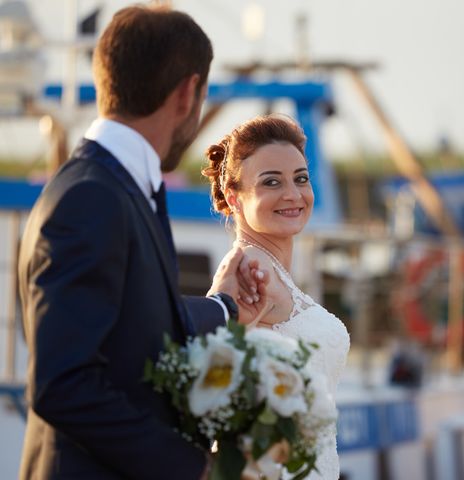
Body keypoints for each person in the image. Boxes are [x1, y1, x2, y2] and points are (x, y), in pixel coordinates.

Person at [17, 6, 267, 480]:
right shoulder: (92, 197)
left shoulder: (113, 187)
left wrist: (225, 307)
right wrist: (196, 469)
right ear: (188, 92)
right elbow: (62, 383)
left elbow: (132, 329)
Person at [202, 114, 351, 479]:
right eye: (272, 182)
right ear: (235, 199)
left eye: (301, 179)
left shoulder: (274, 270)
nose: (293, 194)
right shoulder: (251, 270)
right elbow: (211, 370)